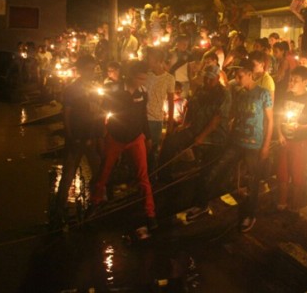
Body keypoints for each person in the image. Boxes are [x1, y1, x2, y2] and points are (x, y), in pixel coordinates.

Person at [186, 60, 273, 233]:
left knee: (253, 181)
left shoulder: (264, 94)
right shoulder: (239, 94)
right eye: (236, 76)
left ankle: (250, 214)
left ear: (250, 74)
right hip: (236, 141)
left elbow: (270, 120)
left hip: (254, 144)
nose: (238, 79)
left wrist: (266, 145)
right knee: (216, 170)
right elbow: (233, 114)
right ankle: (202, 204)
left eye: (241, 76)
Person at [89, 61, 157, 233]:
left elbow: (143, 116)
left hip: (136, 138)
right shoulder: (116, 90)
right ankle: (95, 202)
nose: (143, 81)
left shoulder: (142, 92)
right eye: (140, 78)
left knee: (143, 176)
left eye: (144, 78)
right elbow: (102, 113)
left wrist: (148, 137)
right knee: (104, 172)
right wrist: (100, 134)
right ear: (131, 76)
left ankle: (150, 214)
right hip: (116, 138)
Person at [52, 55, 102, 227]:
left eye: (93, 68)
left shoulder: (94, 87)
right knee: (69, 172)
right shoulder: (73, 89)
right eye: (88, 68)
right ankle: (59, 210)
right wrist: (70, 134)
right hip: (77, 135)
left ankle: (97, 202)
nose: (91, 71)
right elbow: (66, 112)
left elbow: (97, 110)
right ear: (81, 70)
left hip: (90, 134)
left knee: (98, 167)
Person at [159, 65, 231, 182]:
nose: (207, 81)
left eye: (211, 79)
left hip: (213, 135)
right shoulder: (201, 89)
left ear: (217, 78)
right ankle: (163, 177)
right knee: (169, 142)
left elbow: (217, 119)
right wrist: (184, 124)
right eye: (206, 78)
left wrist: (202, 136)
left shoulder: (224, 94)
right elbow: (190, 107)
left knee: (207, 172)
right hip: (195, 129)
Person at [276, 66, 307, 214]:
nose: (291, 82)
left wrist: (301, 127)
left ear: (305, 82)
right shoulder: (287, 95)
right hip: (285, 140)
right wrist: (279, 134)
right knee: (282, 171)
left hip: (300, 142)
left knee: (297, 173)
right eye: (291, 79)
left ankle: (295, 203)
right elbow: (279, 117)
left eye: (295, 80)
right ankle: (282, 201)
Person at [144, 47, 176, 178]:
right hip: (142, 118)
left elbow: (171, 101)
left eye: (149, 58)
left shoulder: (169, 79)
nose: (147, 60)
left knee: (152, 151)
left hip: (156, 119)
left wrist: (170, 124)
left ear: (158, 61)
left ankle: (151, 177)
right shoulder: (146, 75)